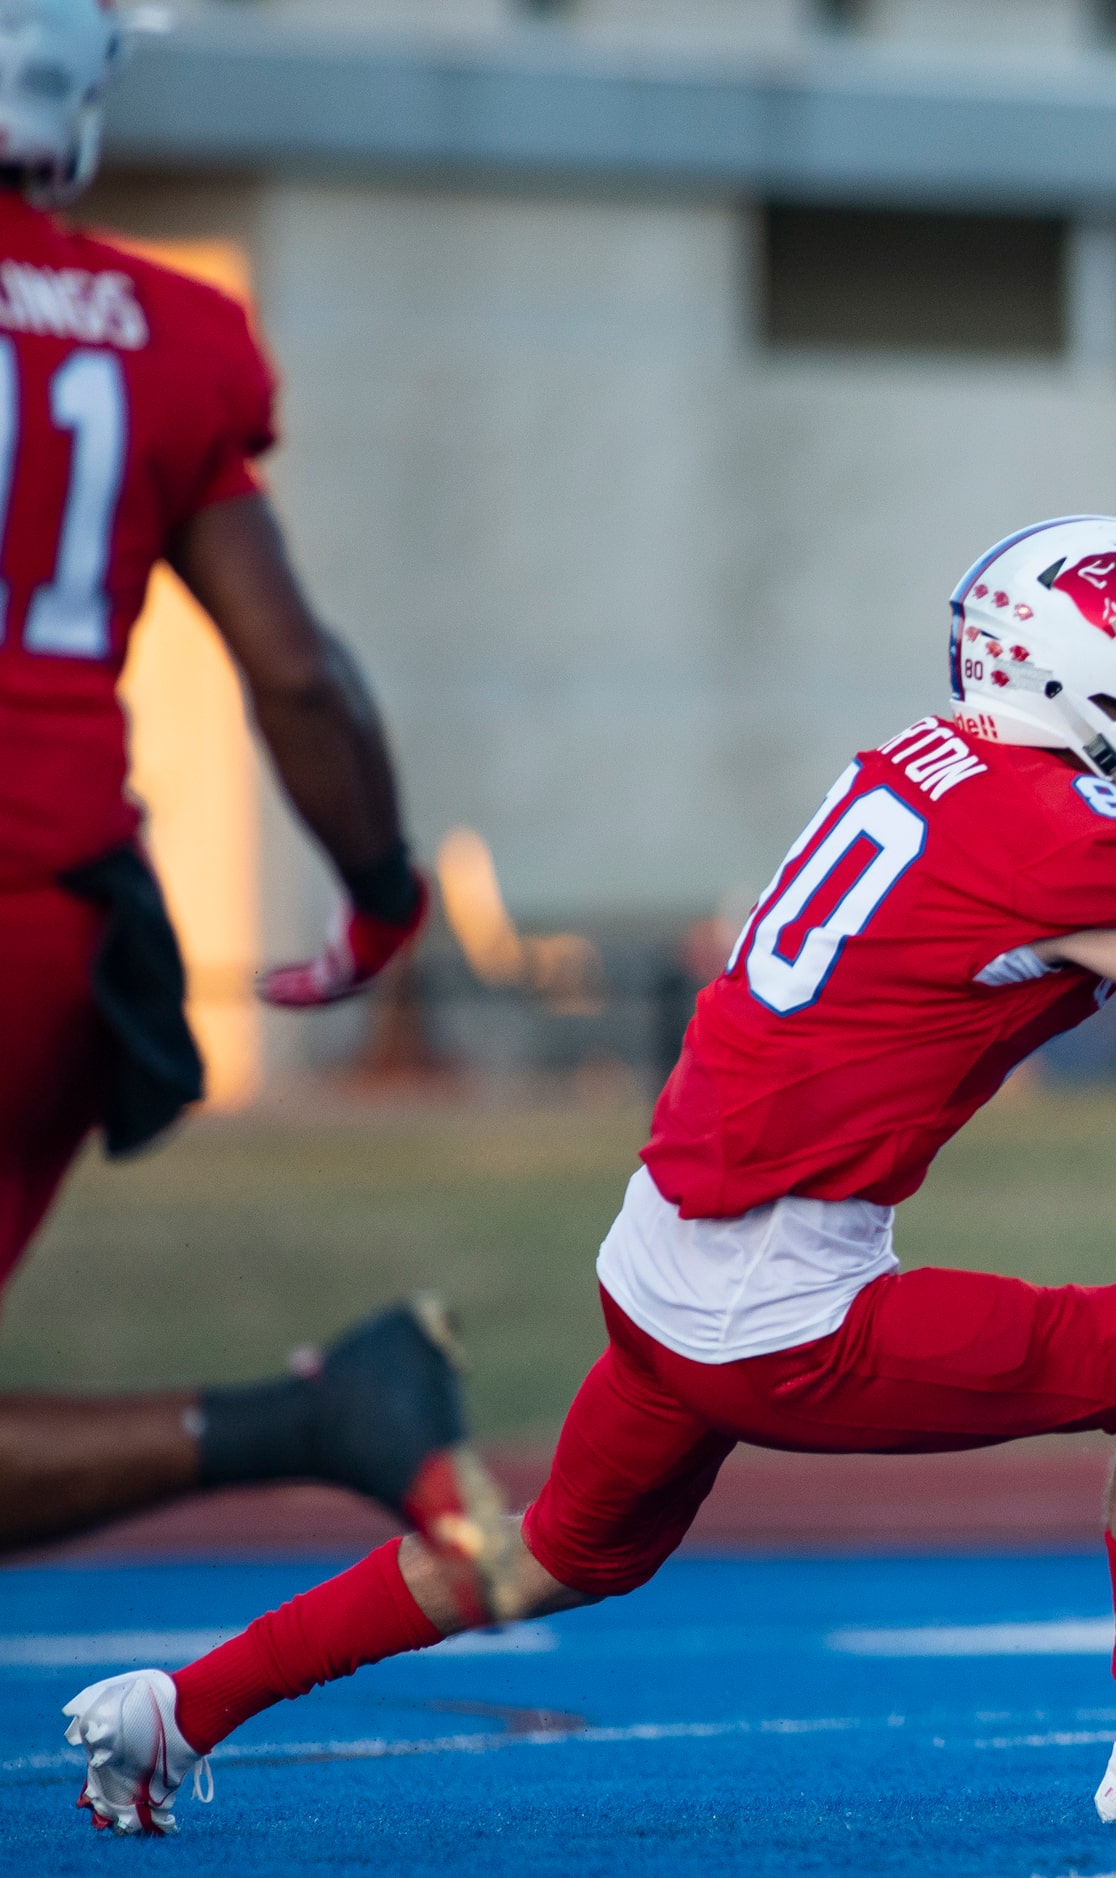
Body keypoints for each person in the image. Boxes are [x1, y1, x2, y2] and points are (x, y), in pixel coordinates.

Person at [59, 516, 1116, 1836]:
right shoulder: (1055, 841)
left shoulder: (951, 771)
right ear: (1083, 672)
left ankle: (176, 1708)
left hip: (661, 1258)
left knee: (551, 1556)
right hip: (780, 1299)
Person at [0, 0, 489, 1568]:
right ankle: (319, 1417)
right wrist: (378, 891)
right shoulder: (166, 333)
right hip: (53, 921)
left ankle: (317, 1418)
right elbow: (294, 667)